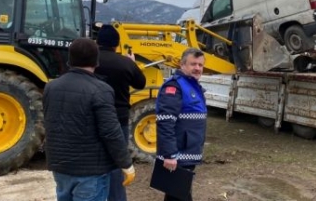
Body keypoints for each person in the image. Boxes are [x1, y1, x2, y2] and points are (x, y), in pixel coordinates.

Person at [43, 38, 136, 201]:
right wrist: (126, 163)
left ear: (69, 60)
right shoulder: (101, 90)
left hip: (60, 167)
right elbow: (111, 132)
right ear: (96, 61)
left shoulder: (51, 87)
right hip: (91, 171)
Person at [94, 24, 146, 201]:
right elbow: (141, 83)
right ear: (117, 44)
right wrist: (131, 63)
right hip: (118, 119)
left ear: (97, 42)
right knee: (117, 162)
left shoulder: (88, 62)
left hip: (92, 119)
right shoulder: (124, 63)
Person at [155, 48, 207, 201]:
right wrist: (169, 154)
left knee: (177, 195)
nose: (197, 68)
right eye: (193, 64)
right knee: (178, 195)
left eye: (200, 65)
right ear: (182, 65)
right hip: (178, 155)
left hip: (187, 153)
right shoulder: (175, 87)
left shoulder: (192, 86)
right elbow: (165, 122)